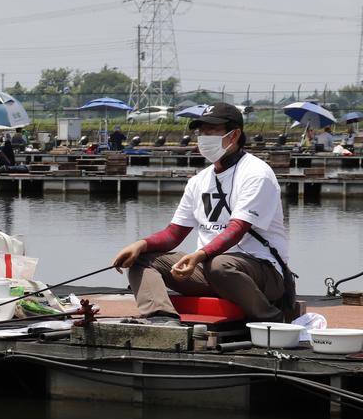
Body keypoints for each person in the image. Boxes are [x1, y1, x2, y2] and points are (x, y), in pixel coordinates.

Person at [112, 102, 293, 324]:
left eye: (212, 130)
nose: (204, 137)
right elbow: (174, 234)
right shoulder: (199, 181)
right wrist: (141, 244)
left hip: (263, 272)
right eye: (202, 131)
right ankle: (161, 318)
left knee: (220, 265)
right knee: (141, 260)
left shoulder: (256, 174)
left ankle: (272, 319)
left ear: (234, 135)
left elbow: (237, 230)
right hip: (210, 269)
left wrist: (199, 255)